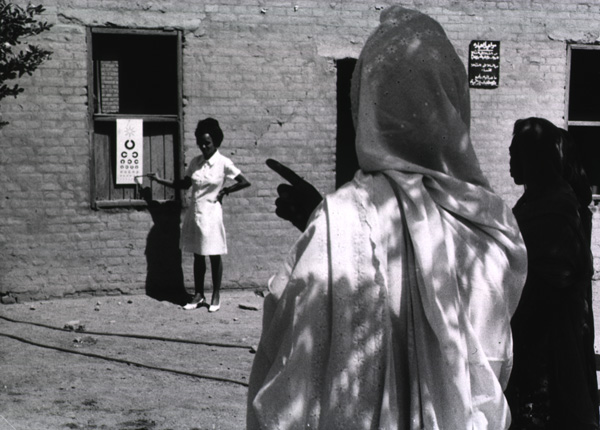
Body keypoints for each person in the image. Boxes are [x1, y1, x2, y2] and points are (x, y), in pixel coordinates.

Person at [248, 6, 527, 429]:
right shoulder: (490, 227)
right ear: (453, 104)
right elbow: (489, 365)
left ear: (367, 104)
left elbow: (286, 370)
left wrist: (325, 221)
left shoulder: (334, 227)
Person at [505, 118, 598, 430]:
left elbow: (544, 291)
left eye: (517, 150)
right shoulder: (537, 201)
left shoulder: (555, 208)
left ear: (537, 157)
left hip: (547, 351)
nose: (509, 155)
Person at [149, 117, 250, 312]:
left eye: (208, 143)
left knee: (213, 254)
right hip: (195, 212)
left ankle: (216, 295)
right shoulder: (196, 162)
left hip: (212, 212)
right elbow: (185, 184)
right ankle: (198, 294)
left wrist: (224, 191)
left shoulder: (223, 162)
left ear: (216, 142)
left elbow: (244, 181)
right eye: (201, 143)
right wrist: (161, 181)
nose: (204, 147)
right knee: (197, 254)